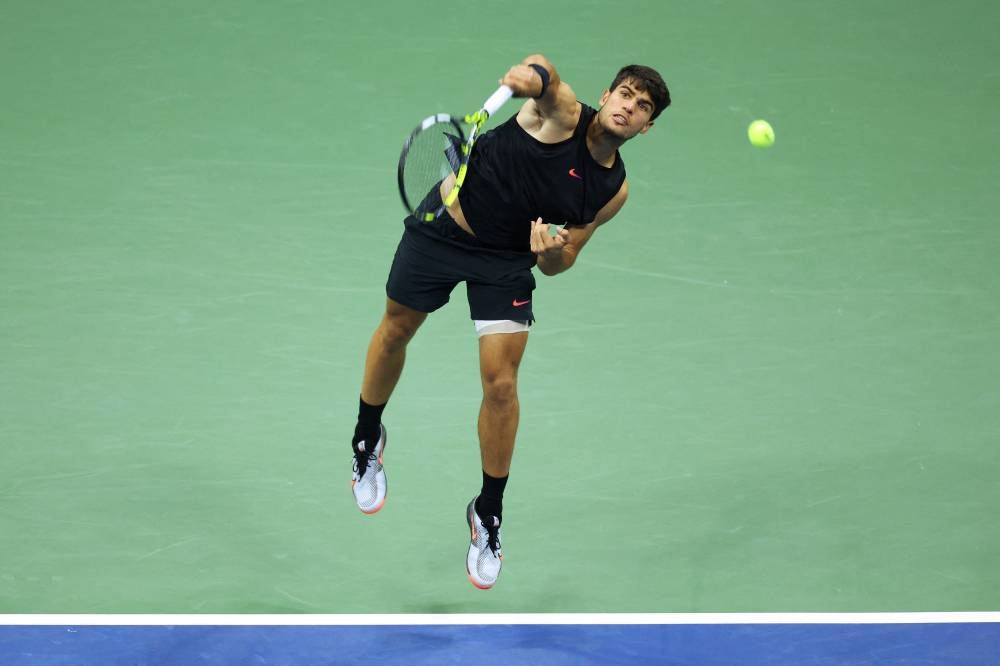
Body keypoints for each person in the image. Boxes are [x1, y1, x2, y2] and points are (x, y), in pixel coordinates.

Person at [349, 54, 670, 589]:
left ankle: (488, 513)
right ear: (608, 95)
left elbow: (562, 262)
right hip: (445, 231)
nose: (630, 108)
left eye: (643, 107)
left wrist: (548, 250)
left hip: (505, 264)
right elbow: (545, 75)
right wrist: (530, 78)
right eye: (626, 95)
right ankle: (366, 439)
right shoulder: (562, 115)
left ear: (646, 125)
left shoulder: (613, 191)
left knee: (501, 385)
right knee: (396, 330)